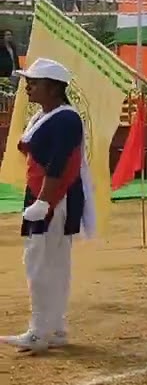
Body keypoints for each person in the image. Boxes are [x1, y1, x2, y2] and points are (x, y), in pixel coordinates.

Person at [3, 59, 90, 353]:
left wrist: (44, 201)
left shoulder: (66, 119)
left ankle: (41, 331)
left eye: (34, 83)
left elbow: (61, 163)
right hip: (43, 194)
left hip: (55, 197)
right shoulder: (44, 115)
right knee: (50, 263)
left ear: (53, 88)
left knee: (41, 264)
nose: (28, 87)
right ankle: (54, 327)